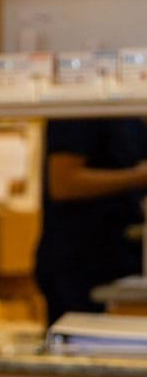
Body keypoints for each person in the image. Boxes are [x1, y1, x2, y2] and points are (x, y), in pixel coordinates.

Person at [35, 116, 147, 324]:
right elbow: (62, 183)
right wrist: (137, 177)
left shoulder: (128, 116)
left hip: (119, 260)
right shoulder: (80, 110)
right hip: (80, 263)